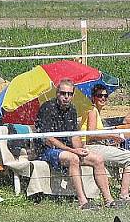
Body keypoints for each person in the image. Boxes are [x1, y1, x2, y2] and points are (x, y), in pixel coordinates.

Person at [34, 78, 119, 210]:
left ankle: (109, 200)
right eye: (63, 93)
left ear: (73, 95)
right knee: (73, 158)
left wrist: (81, 148)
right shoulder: (47, 108)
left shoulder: (72, 110)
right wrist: (74, 151)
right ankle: (83, 201)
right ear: (57, 93)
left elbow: (74, 135)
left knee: (98, 159)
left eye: (69, 94)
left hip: (66, 149)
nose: (66, 97)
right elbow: (48, 139)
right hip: (46, 150)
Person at [81, 84, 130, 204]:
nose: (103, 98)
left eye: (105, 96)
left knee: (128, 155)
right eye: (99, 95)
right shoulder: (92, 111)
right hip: (90, 147)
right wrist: (111, 135)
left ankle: (121, 192)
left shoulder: (95, 111)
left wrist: (109, 140)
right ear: (93, 98)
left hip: (95, 146)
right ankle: (124, 194)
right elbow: (91, 134)